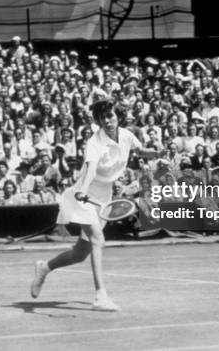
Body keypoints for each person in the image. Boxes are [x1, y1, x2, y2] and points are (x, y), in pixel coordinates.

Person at [29, 98, 161, 311]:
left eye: (110, 116)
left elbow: (140, 151)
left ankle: (44, 267)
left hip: (104, 198)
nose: (107, 121)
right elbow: (90, 169)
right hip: (84, 196)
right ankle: (101, 296)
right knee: (98, 239)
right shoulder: (94, 143)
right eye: (102, 118)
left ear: (117, 116)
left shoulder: (126, 135)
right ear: (98, 121)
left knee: (80, 253)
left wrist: (158, 154)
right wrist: (83, 189)